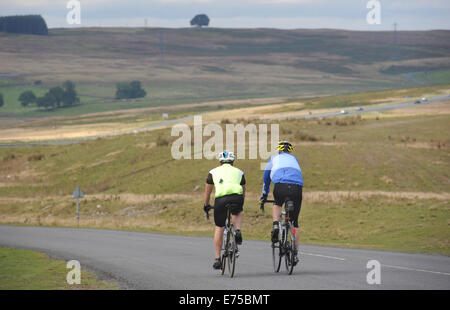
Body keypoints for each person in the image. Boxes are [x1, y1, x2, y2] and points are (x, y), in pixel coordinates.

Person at [259, 141, 303, 265]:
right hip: (296, 188)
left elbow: (266, 178)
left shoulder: (273, 158)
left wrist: (264, 195)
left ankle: (275, 225)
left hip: (280, 186)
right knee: (295, 223)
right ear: (289, 151)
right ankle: (294, 253)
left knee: (277, 204)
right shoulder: (294, 159)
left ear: (278, 150)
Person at [204, 150, 246, 270]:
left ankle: (217, 259)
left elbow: (208, 192)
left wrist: (206, 205)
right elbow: (243, 191)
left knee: (219, 227)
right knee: (237, 212)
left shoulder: (213, 172)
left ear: (219, 162)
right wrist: (240, 203)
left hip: (221, 199)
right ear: (233, 161)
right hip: (236, 197)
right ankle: (237, 230)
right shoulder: (239, 172)